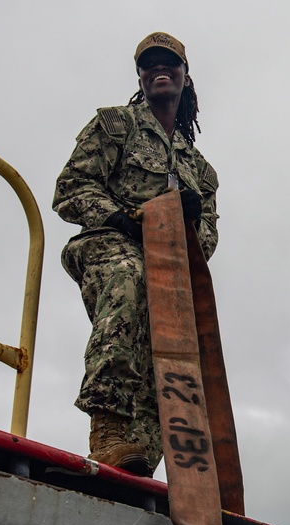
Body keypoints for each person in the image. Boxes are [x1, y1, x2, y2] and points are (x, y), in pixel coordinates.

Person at [53, 32, 219, 476]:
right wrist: (125, 218)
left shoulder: (199, 169)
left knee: (173, 353)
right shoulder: (114, 125)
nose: (159, 70)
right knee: (130, 277)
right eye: (149, 65)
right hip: (109, 244)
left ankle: (136, 461)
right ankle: (106, 428)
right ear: (141, 78)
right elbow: (71, 190)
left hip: (170, 266)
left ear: (186, 78)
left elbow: (208, 238)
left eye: (170, 63)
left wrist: (188, 223)